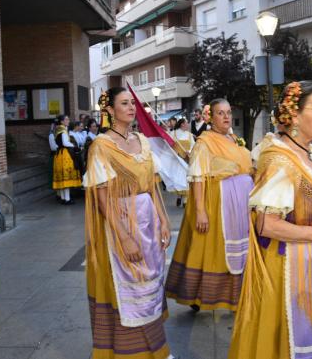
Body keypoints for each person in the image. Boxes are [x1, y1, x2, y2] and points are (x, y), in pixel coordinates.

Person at [229, 81, 312, 359]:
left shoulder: (310, 151)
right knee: (294, 340)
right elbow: (267, 224)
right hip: (293, 265)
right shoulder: (280, 161)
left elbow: (306, 195)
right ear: (295, 117)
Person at [83, 86, 172, 359]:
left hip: (149, 222)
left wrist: (163, 220)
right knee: (130, 285)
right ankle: (132, 352)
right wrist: (123, 236)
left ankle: (157, 348)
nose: (132, 107)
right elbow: (101, 196)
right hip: (122, 222)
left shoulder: (142, 142)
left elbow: (152, 187)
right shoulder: (102, 146)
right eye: (124, 103)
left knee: (152, 284)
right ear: (109, 110)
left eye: (132, 103)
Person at [165, 98, 253, 312]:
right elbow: (197, 178)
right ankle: (197, 295)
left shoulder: (233, 138)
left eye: (228, 112)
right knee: (207, 250)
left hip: (239, 206)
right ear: (210, 117)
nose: (226, 117)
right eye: (220, 113)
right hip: (216, 204)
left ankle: (235, 295)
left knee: (233, 252)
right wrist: (201, 211)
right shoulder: (204, 143)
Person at [52, 114, 81, 204]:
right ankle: (67, 199)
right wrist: (74, 146)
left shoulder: (57, 129)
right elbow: (65, 143)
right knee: (66, 176)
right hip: (65, 154)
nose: (68, 121)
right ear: (62, 121)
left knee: (62, 177)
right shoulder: (63, 130)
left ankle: (64, 198)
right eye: (66, 119)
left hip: (59, 154)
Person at [170, 117, 195, 207]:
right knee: (179, 178)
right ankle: (179, 196)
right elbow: (169, 144)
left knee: (186, 179)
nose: (188, 124)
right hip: (177, 160)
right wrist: (175, 152)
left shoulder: (189, 135)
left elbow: (193, 145)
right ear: (182, 124)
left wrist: (190, 151)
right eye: (186, 122)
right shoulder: (173, 133)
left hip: (186, 159)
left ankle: (185, 199)